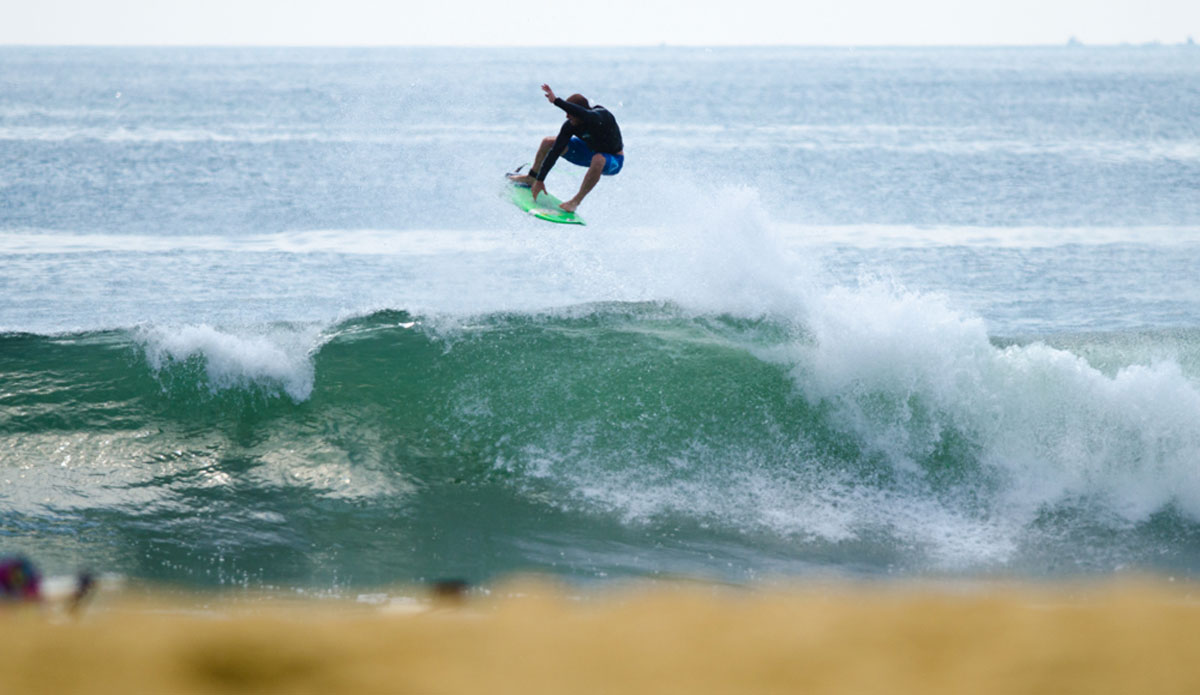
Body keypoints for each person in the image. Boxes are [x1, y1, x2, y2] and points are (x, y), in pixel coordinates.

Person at [507, 84, 624, 213]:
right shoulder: (570, 125)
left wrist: (556, 101)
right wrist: (540, 180)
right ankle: (531, 177)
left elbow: (584, 114)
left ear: (578, 111)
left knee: (598, 158)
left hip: (613, 159)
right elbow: (556, 151)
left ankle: (575, 202)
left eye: (569, 113)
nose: (567, 116)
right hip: (586, 152)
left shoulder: (600, 116)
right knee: (548, 142)